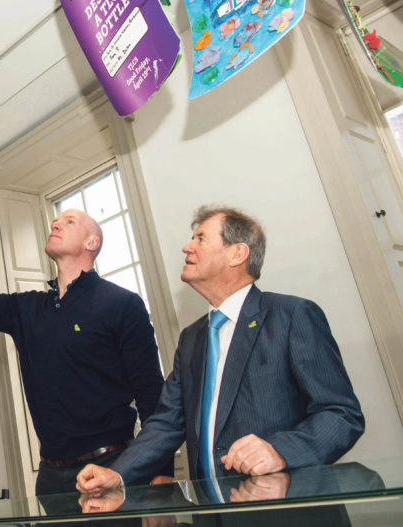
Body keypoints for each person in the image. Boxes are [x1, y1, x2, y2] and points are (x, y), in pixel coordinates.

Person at [76, 205, 364, 492]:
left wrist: (281, 450)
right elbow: (166, 423)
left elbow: (340, 413)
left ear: (237, 253)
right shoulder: (191, 338)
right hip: (213, 511)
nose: (187, 247)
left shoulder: (292, 316)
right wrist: (118, 474)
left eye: (201, 238)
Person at [0, 190, 167, 495]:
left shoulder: (122, 304)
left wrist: (160, 478)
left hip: (112, 467)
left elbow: (151, 394)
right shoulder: (26, 309)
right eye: (55, 221)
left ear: (91, 243)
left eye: (69, 221)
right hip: (51, 479)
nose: (56, 224)